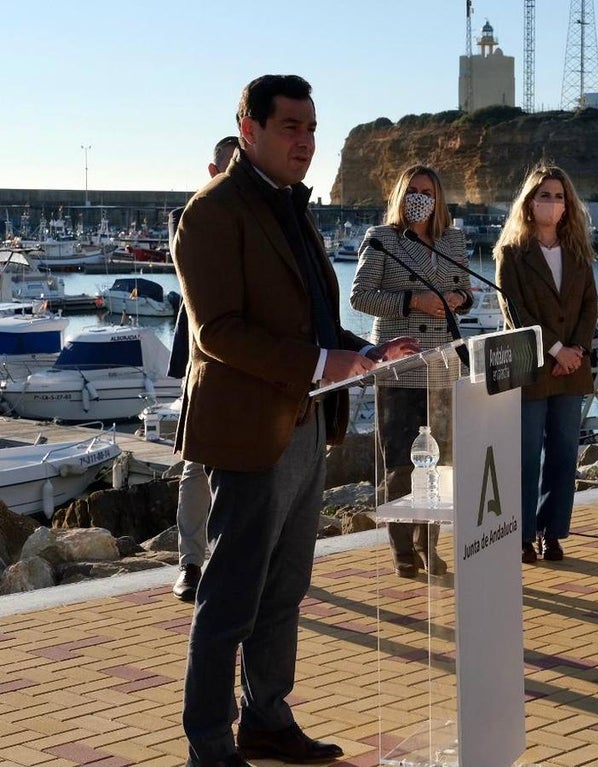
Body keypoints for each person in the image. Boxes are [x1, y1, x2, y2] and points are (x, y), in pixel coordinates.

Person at [172, 74, 418, 767]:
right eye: (291, 128)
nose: (306, 142)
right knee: (230, 598)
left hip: (307, 424)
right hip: (250, 431)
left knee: (285, 588)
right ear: (248, 130)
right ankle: (209, 743)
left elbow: (306, 315)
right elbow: (217, 330)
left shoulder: (292, 208)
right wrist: (322, 362)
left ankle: (267, 716)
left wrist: (358, 351)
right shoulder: (212, 212)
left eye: (312, 129)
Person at [350, 164, 472, 578]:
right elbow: (360, 296)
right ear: (400, 195)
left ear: (439, 198)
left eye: (428, 190)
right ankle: (402, 549)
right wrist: (413, 303)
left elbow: (467, 291)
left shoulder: (452, 240)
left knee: (440, 465)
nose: (420, 197)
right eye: (412, 190)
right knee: (401, 463)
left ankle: (429, 543)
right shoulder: (381, 239)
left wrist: (457, 298)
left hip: (442, 368)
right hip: (401, 368)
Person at [494, 163, 598, 564]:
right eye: (544, 196)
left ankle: (552, 532)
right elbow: (514, 312)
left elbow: (590, 306)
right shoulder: (512, 254)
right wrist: (556, 350)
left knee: (563, 452)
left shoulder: (577, 252)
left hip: (572, 370)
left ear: (567, 205)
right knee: (525, 454)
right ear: (529, 202)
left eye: (558, 196)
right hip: (534, 369)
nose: (551, 204)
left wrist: (578, 351)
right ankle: (521, 534)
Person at [168, 135, 239, 603]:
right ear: (213, 171)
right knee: (197, 464)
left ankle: (244, 560)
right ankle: (191, 563)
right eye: (231, 167)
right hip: (207, 356)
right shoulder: (193, 218)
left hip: (261, 363)